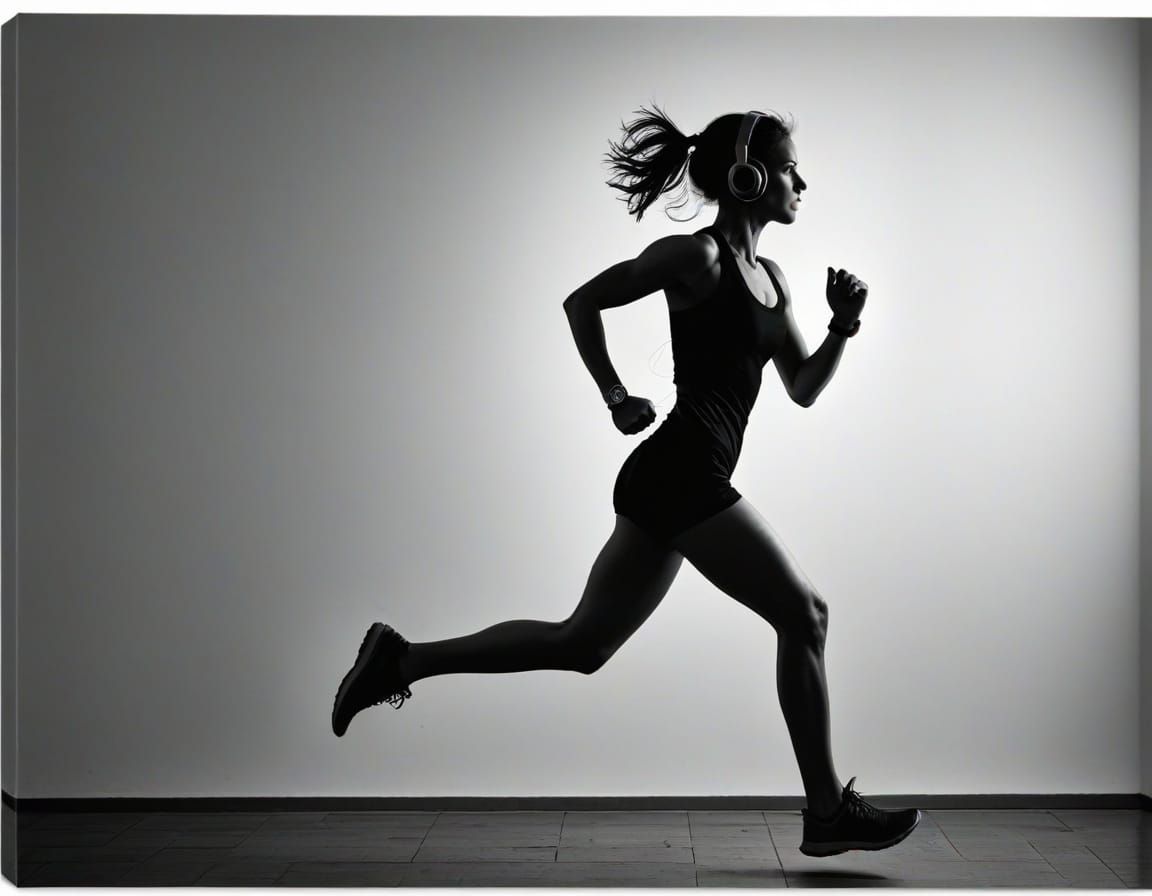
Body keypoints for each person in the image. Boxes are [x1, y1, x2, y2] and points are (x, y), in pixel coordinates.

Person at [331, 105, 921, 858]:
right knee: (804, 615)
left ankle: (401, 658)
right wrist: (614, 395)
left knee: (584, 644)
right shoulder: (695, 260)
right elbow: (583, 302)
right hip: (681, 472)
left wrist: (843, 326)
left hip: (674, 481)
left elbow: (802, 386)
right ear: (748, 176)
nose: (802, 180)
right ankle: (826, 811)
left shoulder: (774, 281)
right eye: (789, 165)